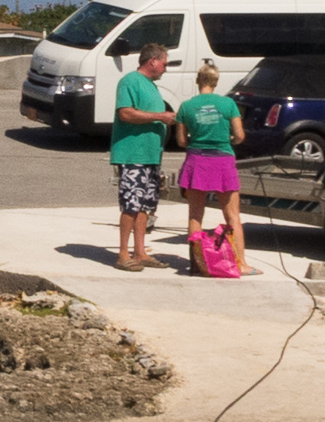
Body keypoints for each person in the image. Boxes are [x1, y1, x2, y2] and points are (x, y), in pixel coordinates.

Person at [175, 64, 255, 275]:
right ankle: (241, 264)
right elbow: (239, 136)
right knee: (232, 216)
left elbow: (182, 141)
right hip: (222, 160)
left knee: (195, 216)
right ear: (216, 82)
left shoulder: (185, 107)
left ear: (198, 81)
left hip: (197, 160)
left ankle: (197, 263)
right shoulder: (227, 104)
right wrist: (226, 138)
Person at [108, 42, 175, 270]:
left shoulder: (151, 86)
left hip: (150, 157)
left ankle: (140, 252)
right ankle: (123, 254)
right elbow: (125, 113)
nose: (165, 68)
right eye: (164, 64)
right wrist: (160, 116)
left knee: (146, 205)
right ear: (152, 61)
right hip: (133, 155)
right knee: (131, 203)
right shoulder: (129, 81)